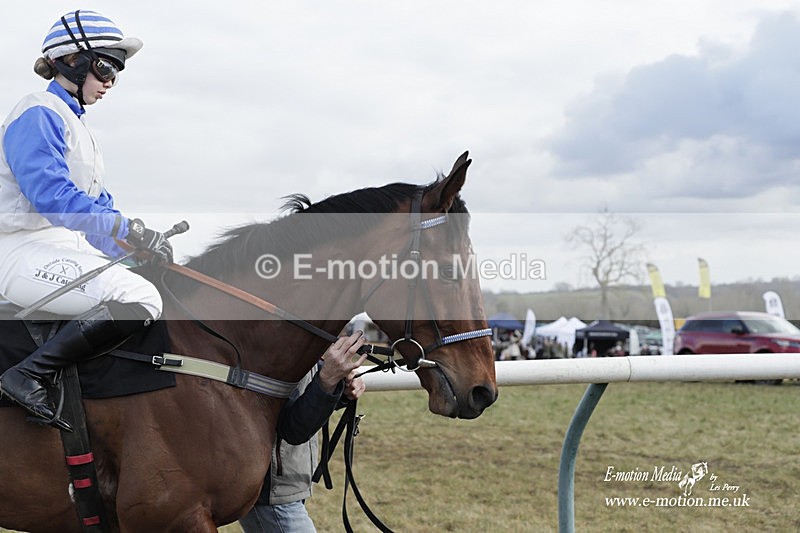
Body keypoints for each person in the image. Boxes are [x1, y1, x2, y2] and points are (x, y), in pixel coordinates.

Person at [0, 10, 173, 431]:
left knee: (151, 283)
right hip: (16, 249)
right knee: (142, 300)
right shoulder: (37, 112)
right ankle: (26, 374)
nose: (111, 80)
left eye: (117, 71)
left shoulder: (80, 131)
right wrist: (126, 229)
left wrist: (137, 249)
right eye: (105, 66)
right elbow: (54, 199)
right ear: (71, 61)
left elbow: (101, 212)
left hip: (56, 245)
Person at [240, 331, 369, 533]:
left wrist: (337, 386)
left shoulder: (298, 335)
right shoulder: (274, 341)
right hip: (273, 491)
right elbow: (292, 428)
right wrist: (327, 380)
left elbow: (298, 398)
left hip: (288, 485)